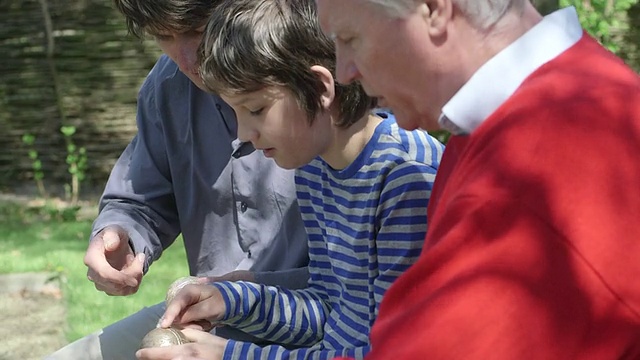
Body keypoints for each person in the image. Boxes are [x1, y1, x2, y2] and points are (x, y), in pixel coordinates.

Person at [315, 0, 640, 359]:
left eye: (349, 38)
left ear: (434, 10)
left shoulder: (537, 174)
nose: (344, 72)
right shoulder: (565, 95)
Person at [135, 0, 445, 359]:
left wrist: (232, 355)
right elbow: (329, 308)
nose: (243, 132)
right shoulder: (316, 171)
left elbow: (398, 352)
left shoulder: (403, 181)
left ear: (319, 87)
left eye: (255, 109)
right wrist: (231, 301)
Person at [45, 0, 313, 359]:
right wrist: (120, 234)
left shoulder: (317, 79)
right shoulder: (167, 86)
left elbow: (355, 294)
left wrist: (244, 297)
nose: (187, 61)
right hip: (201, 317)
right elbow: (140, 197)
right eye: (164, 36)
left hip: (309, 324)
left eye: (197, 30)